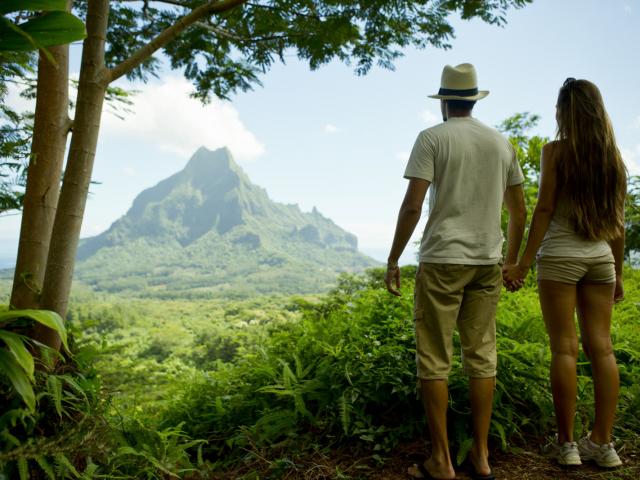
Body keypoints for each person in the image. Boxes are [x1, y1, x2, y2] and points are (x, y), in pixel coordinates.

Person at [385, 63, 526, 480]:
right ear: (474, 99)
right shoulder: (501, 143)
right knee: (482, 355)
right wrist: (512, 260)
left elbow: (413, 206)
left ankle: (442, 461)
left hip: (443, 258)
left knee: (434, 357)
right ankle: (481, 457)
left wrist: (394, 258)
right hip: (488, 261)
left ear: (445, 101)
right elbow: (518, 211)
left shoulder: (432, 138)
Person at [503, 78, 626, 468]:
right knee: (602, 348)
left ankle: (567, 445)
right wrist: (617, 273)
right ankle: (603, 445)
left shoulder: (555, 152)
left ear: (564, 112)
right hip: (600, 259)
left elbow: (543, 210)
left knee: (564, 348)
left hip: (560, 257)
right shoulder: (614, 159)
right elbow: (618, 225)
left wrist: (522, 263)